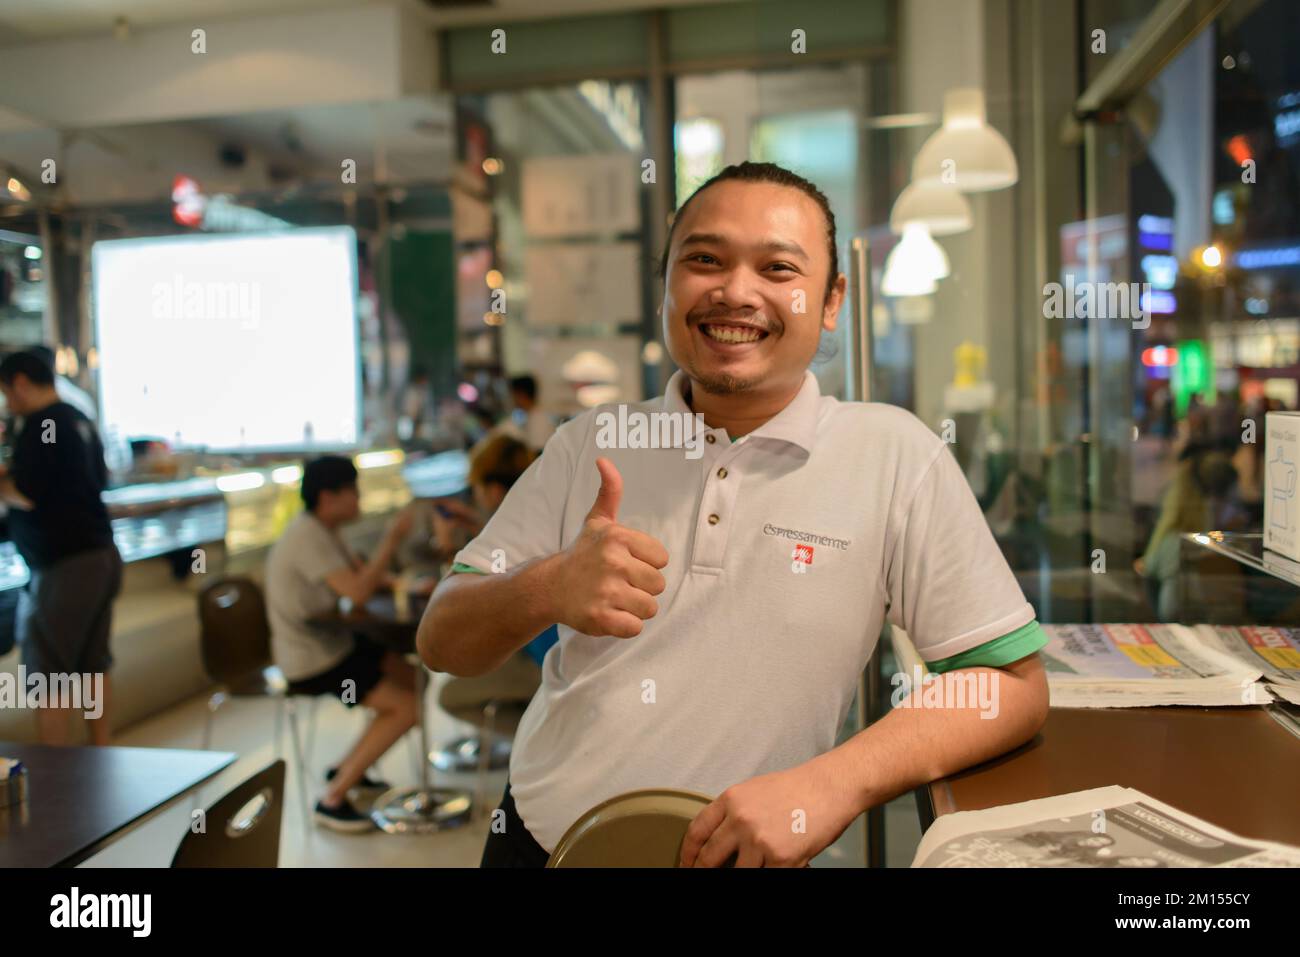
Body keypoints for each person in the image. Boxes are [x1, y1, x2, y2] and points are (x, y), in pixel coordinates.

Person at [418, 161, 1050, 868]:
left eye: (778, 268)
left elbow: (1010, 687)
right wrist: (549, 585)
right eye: (704, 259)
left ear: (831, 299)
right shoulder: (589, 444)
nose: (735, 291)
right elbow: (443, 639)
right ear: (667, 282)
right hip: (541, 842)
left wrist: (832, 782)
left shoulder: (895, 455)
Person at [265, 455, 425, 832]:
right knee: (408, 708)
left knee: (413, 677)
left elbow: (360, 574)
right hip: (313, 658)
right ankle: (332, 798)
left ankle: (351, 766)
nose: (359, 498)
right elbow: (357, 592)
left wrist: (407, 585)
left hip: (333, 640)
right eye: (353, 491)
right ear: (329, 496)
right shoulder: (307, 536)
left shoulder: (322, 529)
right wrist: (391, 539)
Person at [0, 350, 122, 746]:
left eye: (6, 391)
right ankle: (100, 753)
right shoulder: (78, 418)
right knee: (92, 666)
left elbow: (29, 491)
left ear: (19, 382)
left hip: (66, 565)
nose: (7, 402)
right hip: (101, 554)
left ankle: (57, 774)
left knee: (47, 673)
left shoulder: (40, 423)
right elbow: (96, 480)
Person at [505, 375, 556, 452]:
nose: (510, 399)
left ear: (521, 395)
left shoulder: (539, 421)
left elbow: (538, 453)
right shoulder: (531, 416)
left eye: (512, 395)